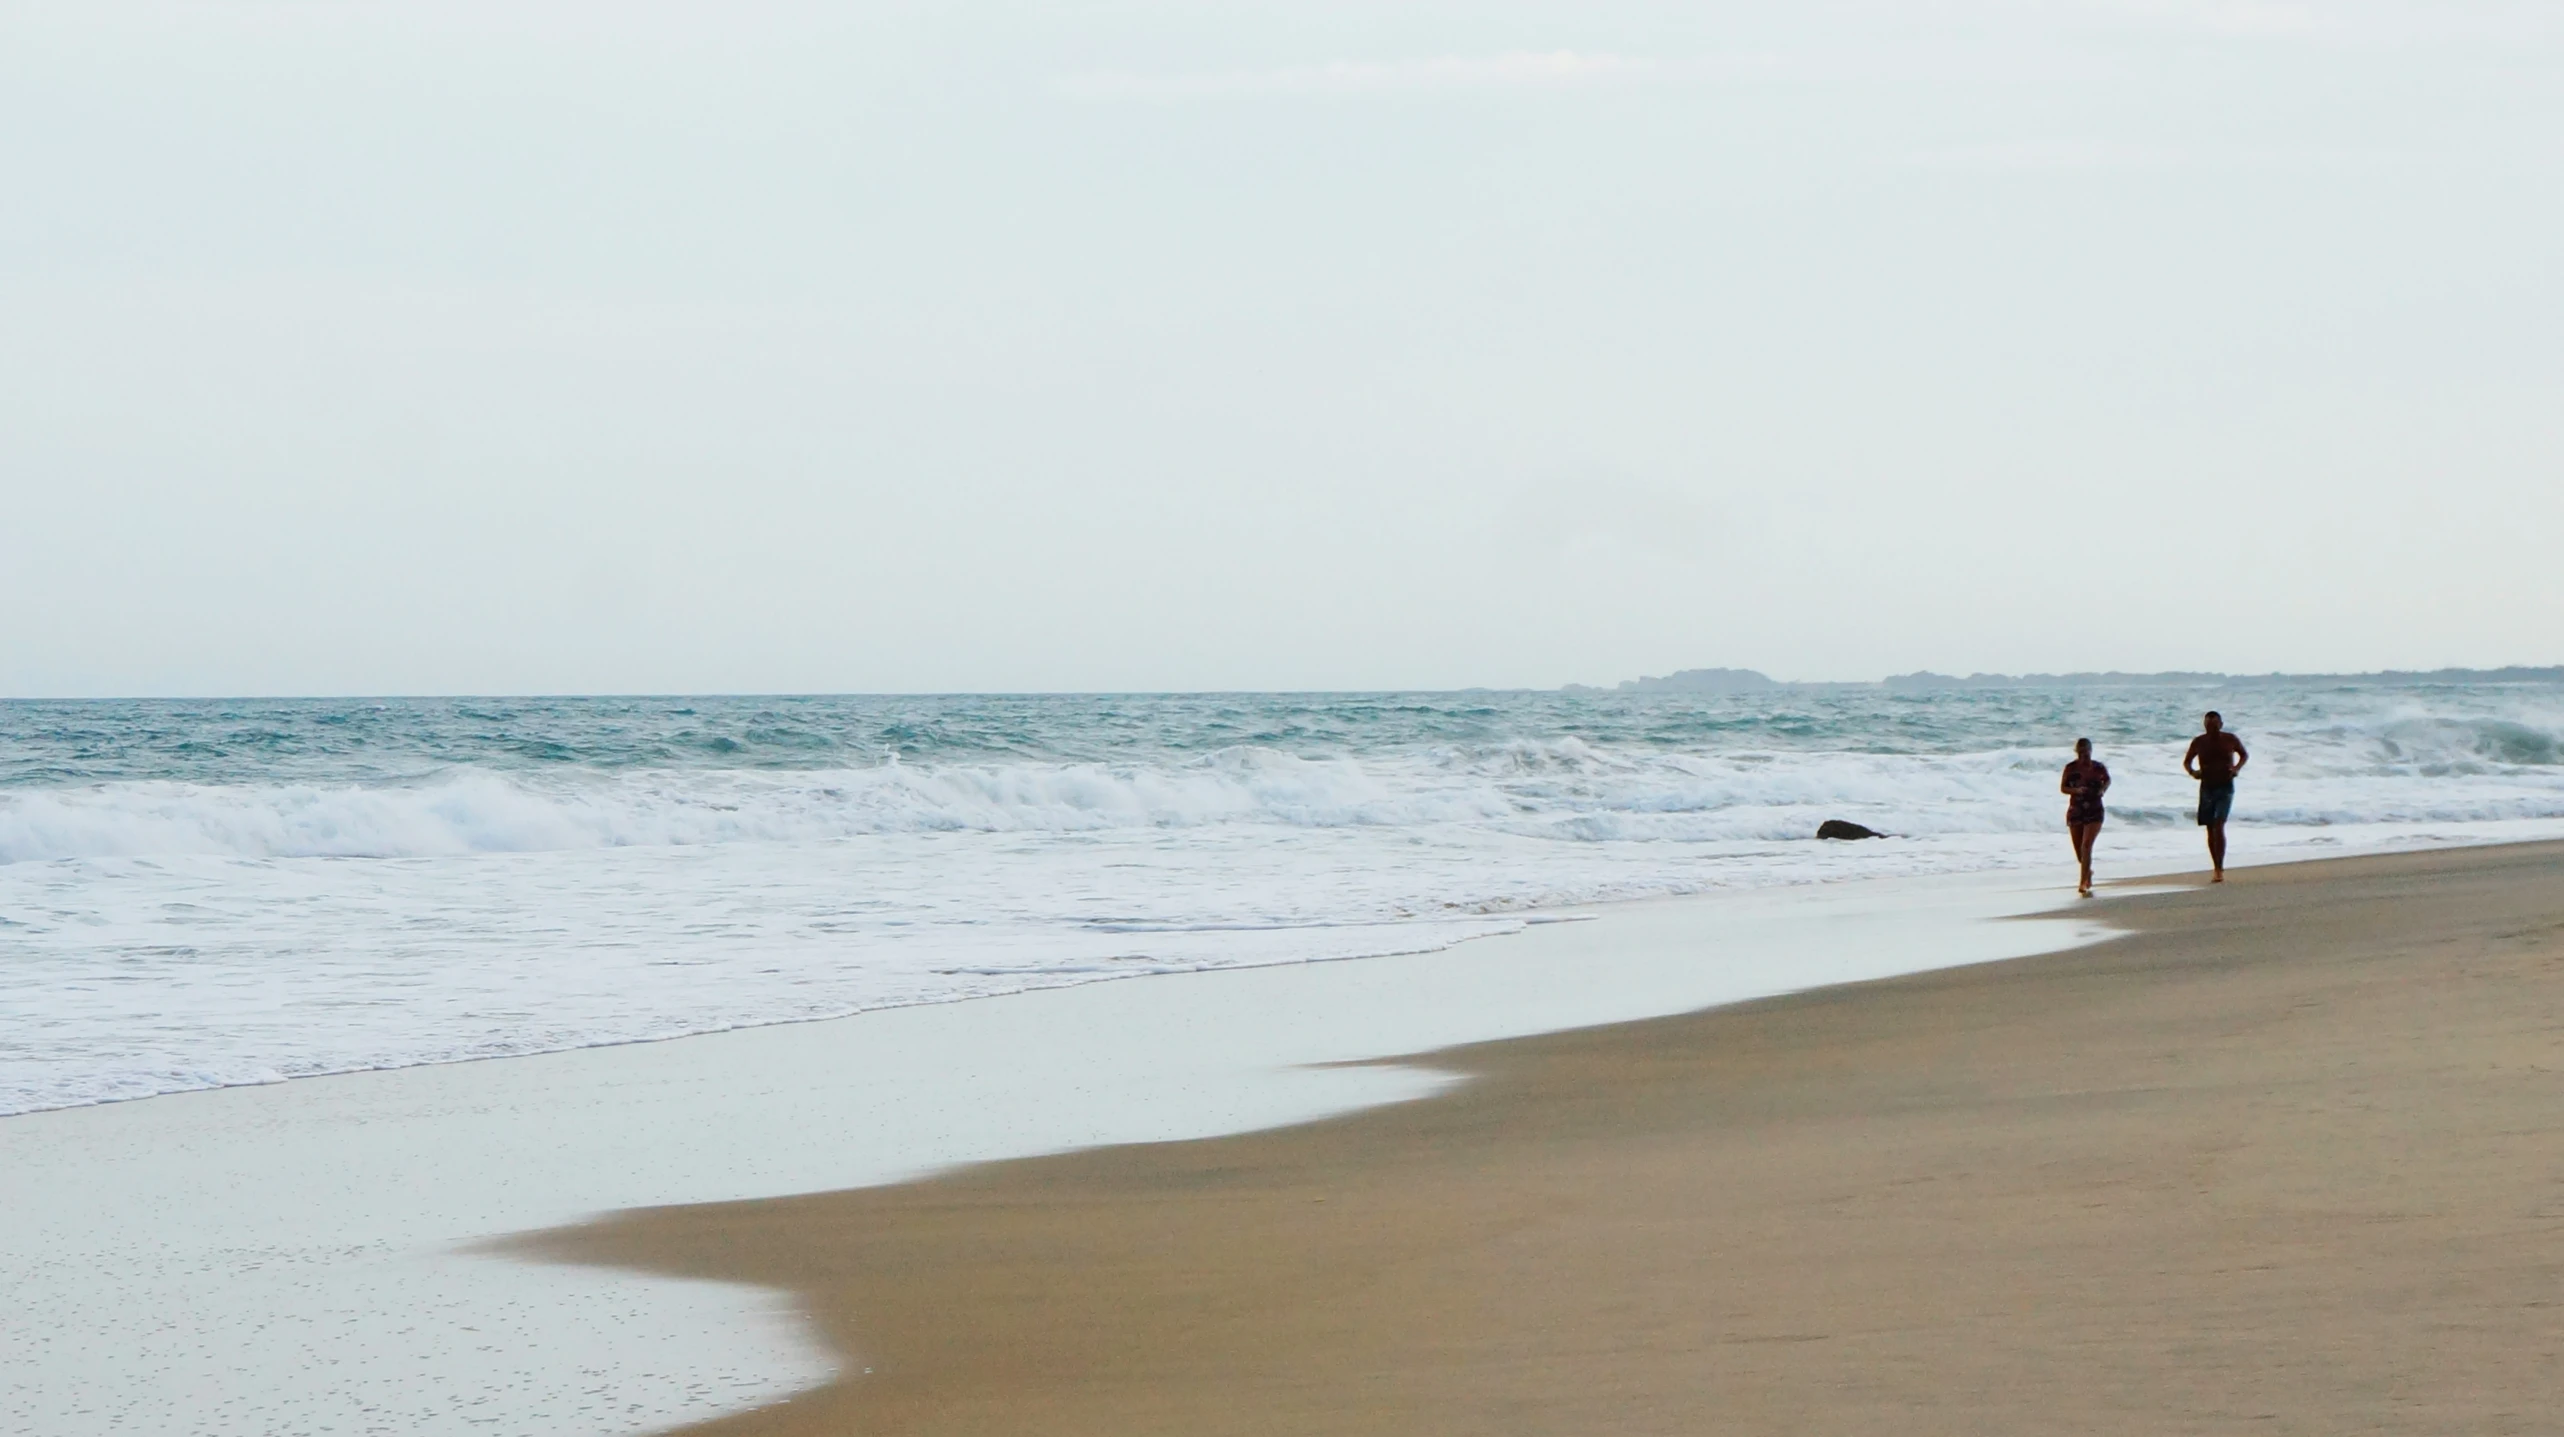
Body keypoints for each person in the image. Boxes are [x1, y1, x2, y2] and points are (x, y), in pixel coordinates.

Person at [2182, 710, 2249, 882]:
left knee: (2219, 824)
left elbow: (2244, 754)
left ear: (2221, 724)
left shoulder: (2230, 739)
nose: (2211, 728)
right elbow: (2187, 761)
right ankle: (2216, 866)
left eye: (2214, 724)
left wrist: (2236, 769)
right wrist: (2192, 772)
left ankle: (2219, 869)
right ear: (2204, 725)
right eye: (2208, 725)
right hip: (2207, 787)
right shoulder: (2199, 742)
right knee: (2210, 828)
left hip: (2225, 786)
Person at [2060, 738, 2110, 897]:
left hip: (2095, 809)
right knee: (2079, 851)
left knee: (2086, 846)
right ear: (2077, 753)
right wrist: (2076, 791)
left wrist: (2103, 789)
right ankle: (2087, 872)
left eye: (2086, 753)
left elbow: (2107, 780)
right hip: (2076, 810)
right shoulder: (2070, 768)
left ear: (2091, 751)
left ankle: (2083, 882)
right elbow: (2063, 788)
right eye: (2080, 753)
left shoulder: (2098, 767)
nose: (2084, 757)